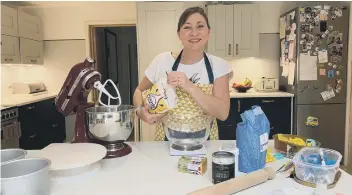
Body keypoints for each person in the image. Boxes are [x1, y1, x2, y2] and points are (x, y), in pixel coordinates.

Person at [133, 6, 233, 141]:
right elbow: (139, 91)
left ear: (208, 32)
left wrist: (190, 87)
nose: (194, 33)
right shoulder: (162, 61)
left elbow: (222, 113)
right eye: (187, 27)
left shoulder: (219, 66)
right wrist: (140, 111)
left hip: (205, 141)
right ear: (179, 34)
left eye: (200, 26)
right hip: (166, 141)